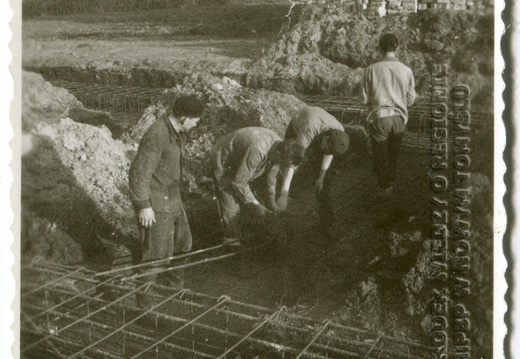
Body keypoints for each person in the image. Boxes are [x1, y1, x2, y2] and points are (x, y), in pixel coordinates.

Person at [129, 95, 206, 308]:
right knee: (156, 254)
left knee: (183, 244)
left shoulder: (175, 133)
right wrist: (143, 206)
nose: (196, 124)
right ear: (183, 117)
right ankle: (144, 304)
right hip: (156, 203)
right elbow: (139, 172)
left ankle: (174, 289)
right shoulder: (157, 135)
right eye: (194, 120)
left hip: (172, 199)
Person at [210, 127, 305, 247]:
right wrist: (256, 205)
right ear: (278, 154)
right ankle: (231, 242)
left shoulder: (281, 148)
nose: (281, 166)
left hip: (243, 158)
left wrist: (271, 203)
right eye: (283, 164)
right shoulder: (258, 150)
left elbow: (271, 177)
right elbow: (239, 182)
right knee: (230, 200)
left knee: (249, 198)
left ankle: (245, 228)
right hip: (225, 159)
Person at [276, 105, 350, 238]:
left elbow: (328, 153)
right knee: (286, 160)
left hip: (319, 130)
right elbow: (294, 162)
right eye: (326, 148)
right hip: (300, 124)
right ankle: (279, 201)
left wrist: (321, 178)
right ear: (325, 139)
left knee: (324, 183)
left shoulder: (339, 133)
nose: (325, 152)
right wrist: (284, 193)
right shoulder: (308, 130)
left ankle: (327, 224)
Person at [361, 33, 416, 193]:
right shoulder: (407, 70)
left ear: (380, 49)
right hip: (399, 118)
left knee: (380, 156)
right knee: (394, 154)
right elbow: (411, 99)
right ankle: (391, 183)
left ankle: (384, 189)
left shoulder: (370, 70)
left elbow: (363, 99)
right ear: (397, 48)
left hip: (379, 118)